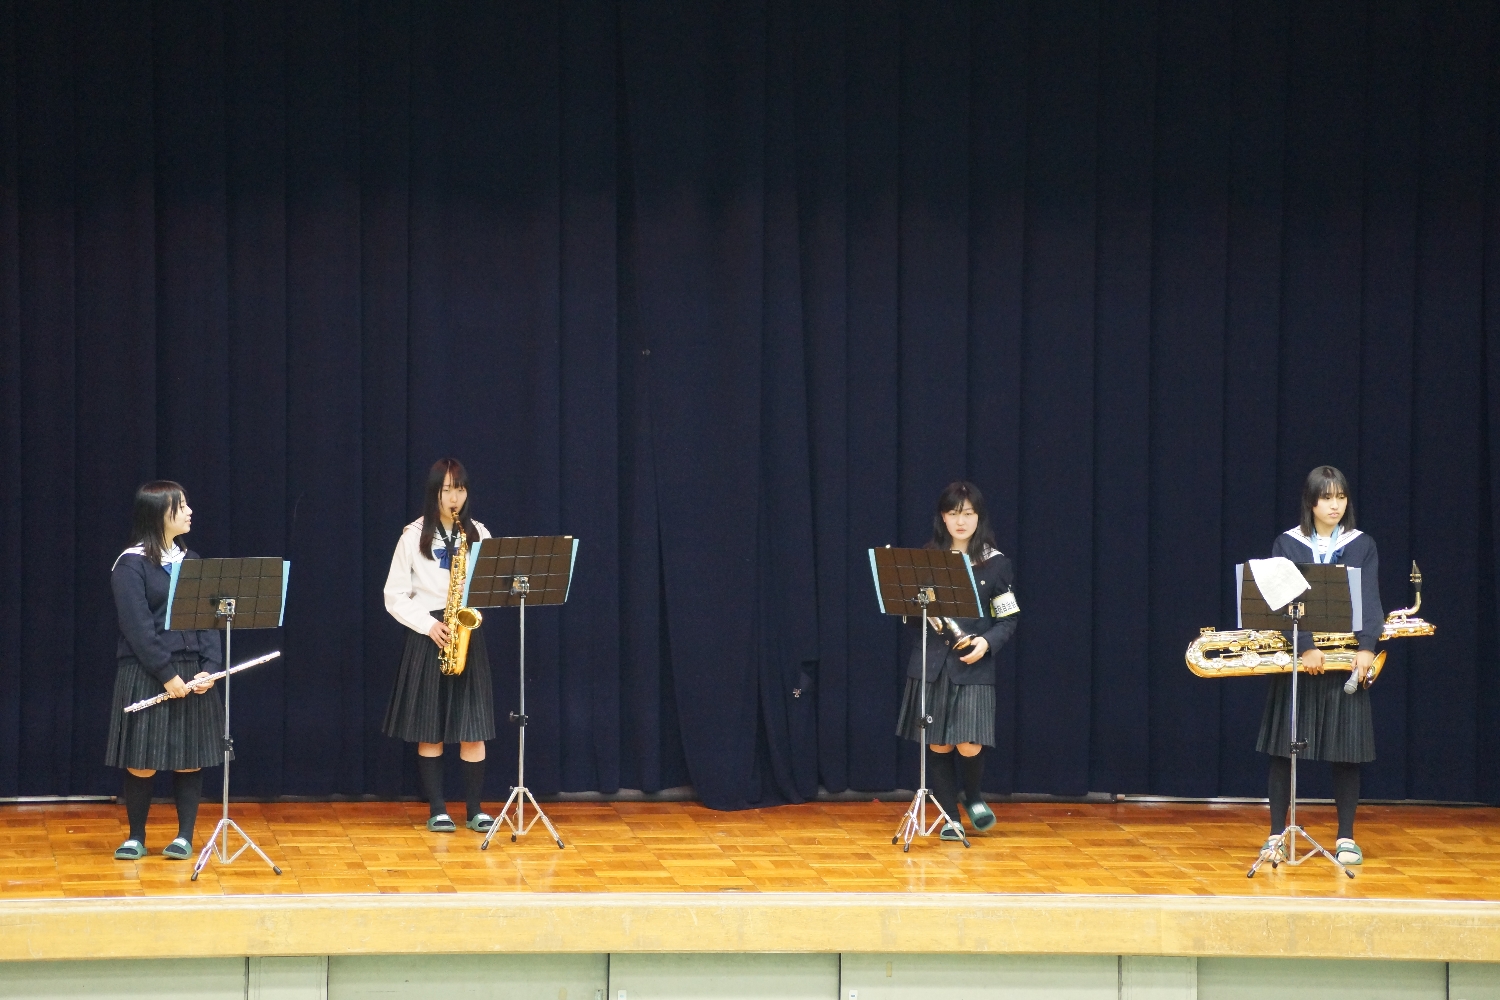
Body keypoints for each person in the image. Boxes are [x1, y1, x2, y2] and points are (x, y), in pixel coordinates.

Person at [1257, 465, 1382, 867]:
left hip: (1345, 658)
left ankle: (1346, 836)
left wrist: (1367, 648)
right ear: (1310, 502)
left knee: (1347, 752)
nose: (1335, 505)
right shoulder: (1287, 544)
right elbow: (1280, 604)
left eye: (1341, 497)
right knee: (1283, 750)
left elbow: (1370, 600)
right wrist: (1305, 646)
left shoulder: (1361, 544)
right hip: (1300, 660)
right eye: (1326, 497)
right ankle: (1276, 834)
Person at [895, 481, 1019, 840]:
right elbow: (908, 612)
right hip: (931, 663)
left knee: (969, 742)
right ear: (943, 518)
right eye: (953, 513)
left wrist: (986, 643)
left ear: (978, 517)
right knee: (938, 743)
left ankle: (974, 797)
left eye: (967, 513)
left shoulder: (996, 564)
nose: (960, 521)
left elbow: (1008, 618)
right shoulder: (926, 560)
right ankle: (951, 818)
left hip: (973, 662)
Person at [105, 482, 223, 861]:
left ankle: (184, 836)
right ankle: (136, 836)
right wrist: (166, 674)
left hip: (193, 672)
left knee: (189, 756)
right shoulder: (130, 563)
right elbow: (137, 628)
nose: (190, 511)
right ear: (159, 514)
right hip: (146, 671)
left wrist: (210, 669)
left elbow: (209, 623)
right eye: (181, 506)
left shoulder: (193, 562)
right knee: (142, 760)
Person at [382, 458, 496, 833]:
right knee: (430, 729)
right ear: (434, 492)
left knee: (473, 728)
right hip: (428, 634)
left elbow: (489, 587)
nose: (454, 497)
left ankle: (475, 809)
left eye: (460, 488)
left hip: (465, 635)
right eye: (446, 489)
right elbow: (394, 595)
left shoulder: (478, 533)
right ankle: (437, 808)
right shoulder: (413, 535)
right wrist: (430, 625)